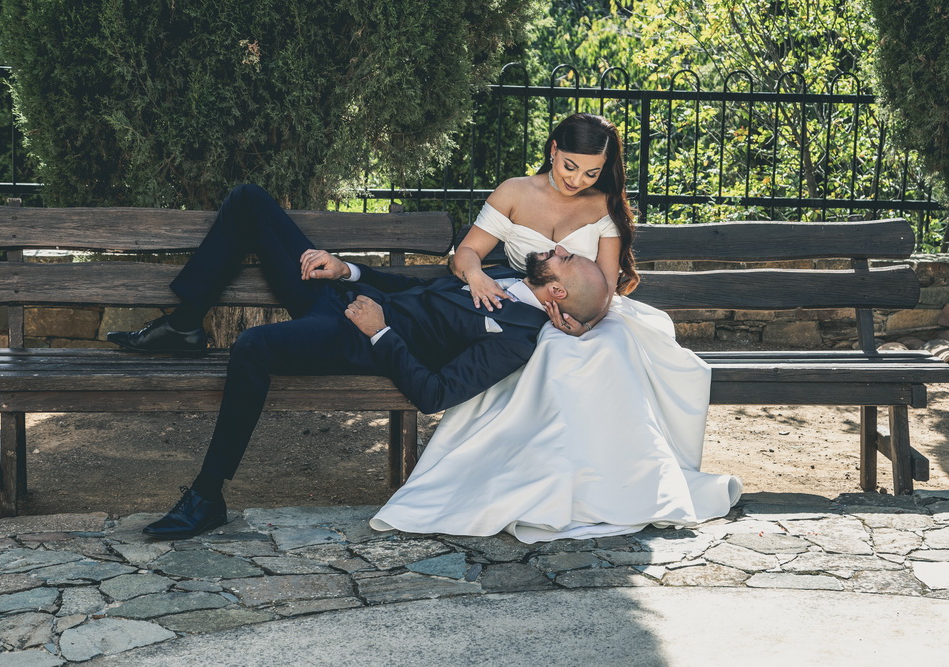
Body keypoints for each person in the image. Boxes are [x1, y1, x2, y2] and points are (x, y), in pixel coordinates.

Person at [106, 183, 610, 539]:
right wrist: (346, 270)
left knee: (253, 346)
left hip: (354, 337)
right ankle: (185, 324)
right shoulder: (500, 273)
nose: (557, 249)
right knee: (249, 201)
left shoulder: (517, 339)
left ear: (558, 292)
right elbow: (417, 289)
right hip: (343, 296)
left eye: (565, 259)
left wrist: (380, 332)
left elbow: (434, 393)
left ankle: (207, 495)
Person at [369, 114, 743, 543]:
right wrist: (477, 277)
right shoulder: (514, 192)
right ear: (553, 150)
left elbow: (606, 286)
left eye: (592, 173)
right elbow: (467, 253)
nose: (577, 180)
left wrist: (587, 323)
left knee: (603, 348)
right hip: (532, 311)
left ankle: (621, 484)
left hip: (597, 315)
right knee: (548, 347)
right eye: (570, 166)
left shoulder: (603, 205)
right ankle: (544, 480)